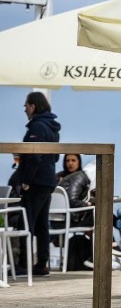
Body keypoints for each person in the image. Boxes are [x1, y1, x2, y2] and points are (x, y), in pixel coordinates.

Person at [17, 92, 61, 276]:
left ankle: (24, 264)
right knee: (42, 223)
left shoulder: (38, 126)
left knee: (25, 222)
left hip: (36, 181)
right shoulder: (52, 127)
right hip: (48, 179)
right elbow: (56, 155)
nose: (25, 109)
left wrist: (26, 180)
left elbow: (34, 155)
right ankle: (41, 263)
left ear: (33, 106)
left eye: (26, 106)